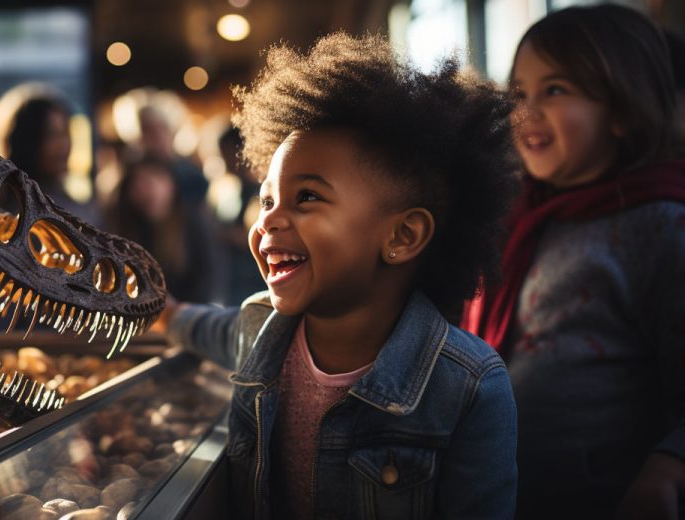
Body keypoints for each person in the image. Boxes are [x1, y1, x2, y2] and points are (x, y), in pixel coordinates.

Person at [162, 32, 520, 519]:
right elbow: (213, 331)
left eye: (306, 197)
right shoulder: (260, 326)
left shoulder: (468, 387)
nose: (267, 220)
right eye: (267, 200)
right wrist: (166, 314)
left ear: (403, 236)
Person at [462, 5, 685, 519]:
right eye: (519, 93)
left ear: (622, 111)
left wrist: (665, 469)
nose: (527, 111)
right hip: (500, 490)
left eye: (555, 90)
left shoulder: (660, 226)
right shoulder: (513, 218)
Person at [107, 156, 220, 304]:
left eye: (151, 182)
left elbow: (209, 278)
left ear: (171, 184)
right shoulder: (128, 226)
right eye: (138, 185)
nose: (147, 192)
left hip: (190, 316)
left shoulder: (192, 221)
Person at [0, 83, 104, 227]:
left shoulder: (77, 210)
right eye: (52, 135)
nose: (64, 144)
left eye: (66, 133)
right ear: (25, 141)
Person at [215, 126, 265, 306]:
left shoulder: (262, 190)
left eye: (226, 153)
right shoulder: (232, 189)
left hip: (253, 279)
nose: (223, 160)